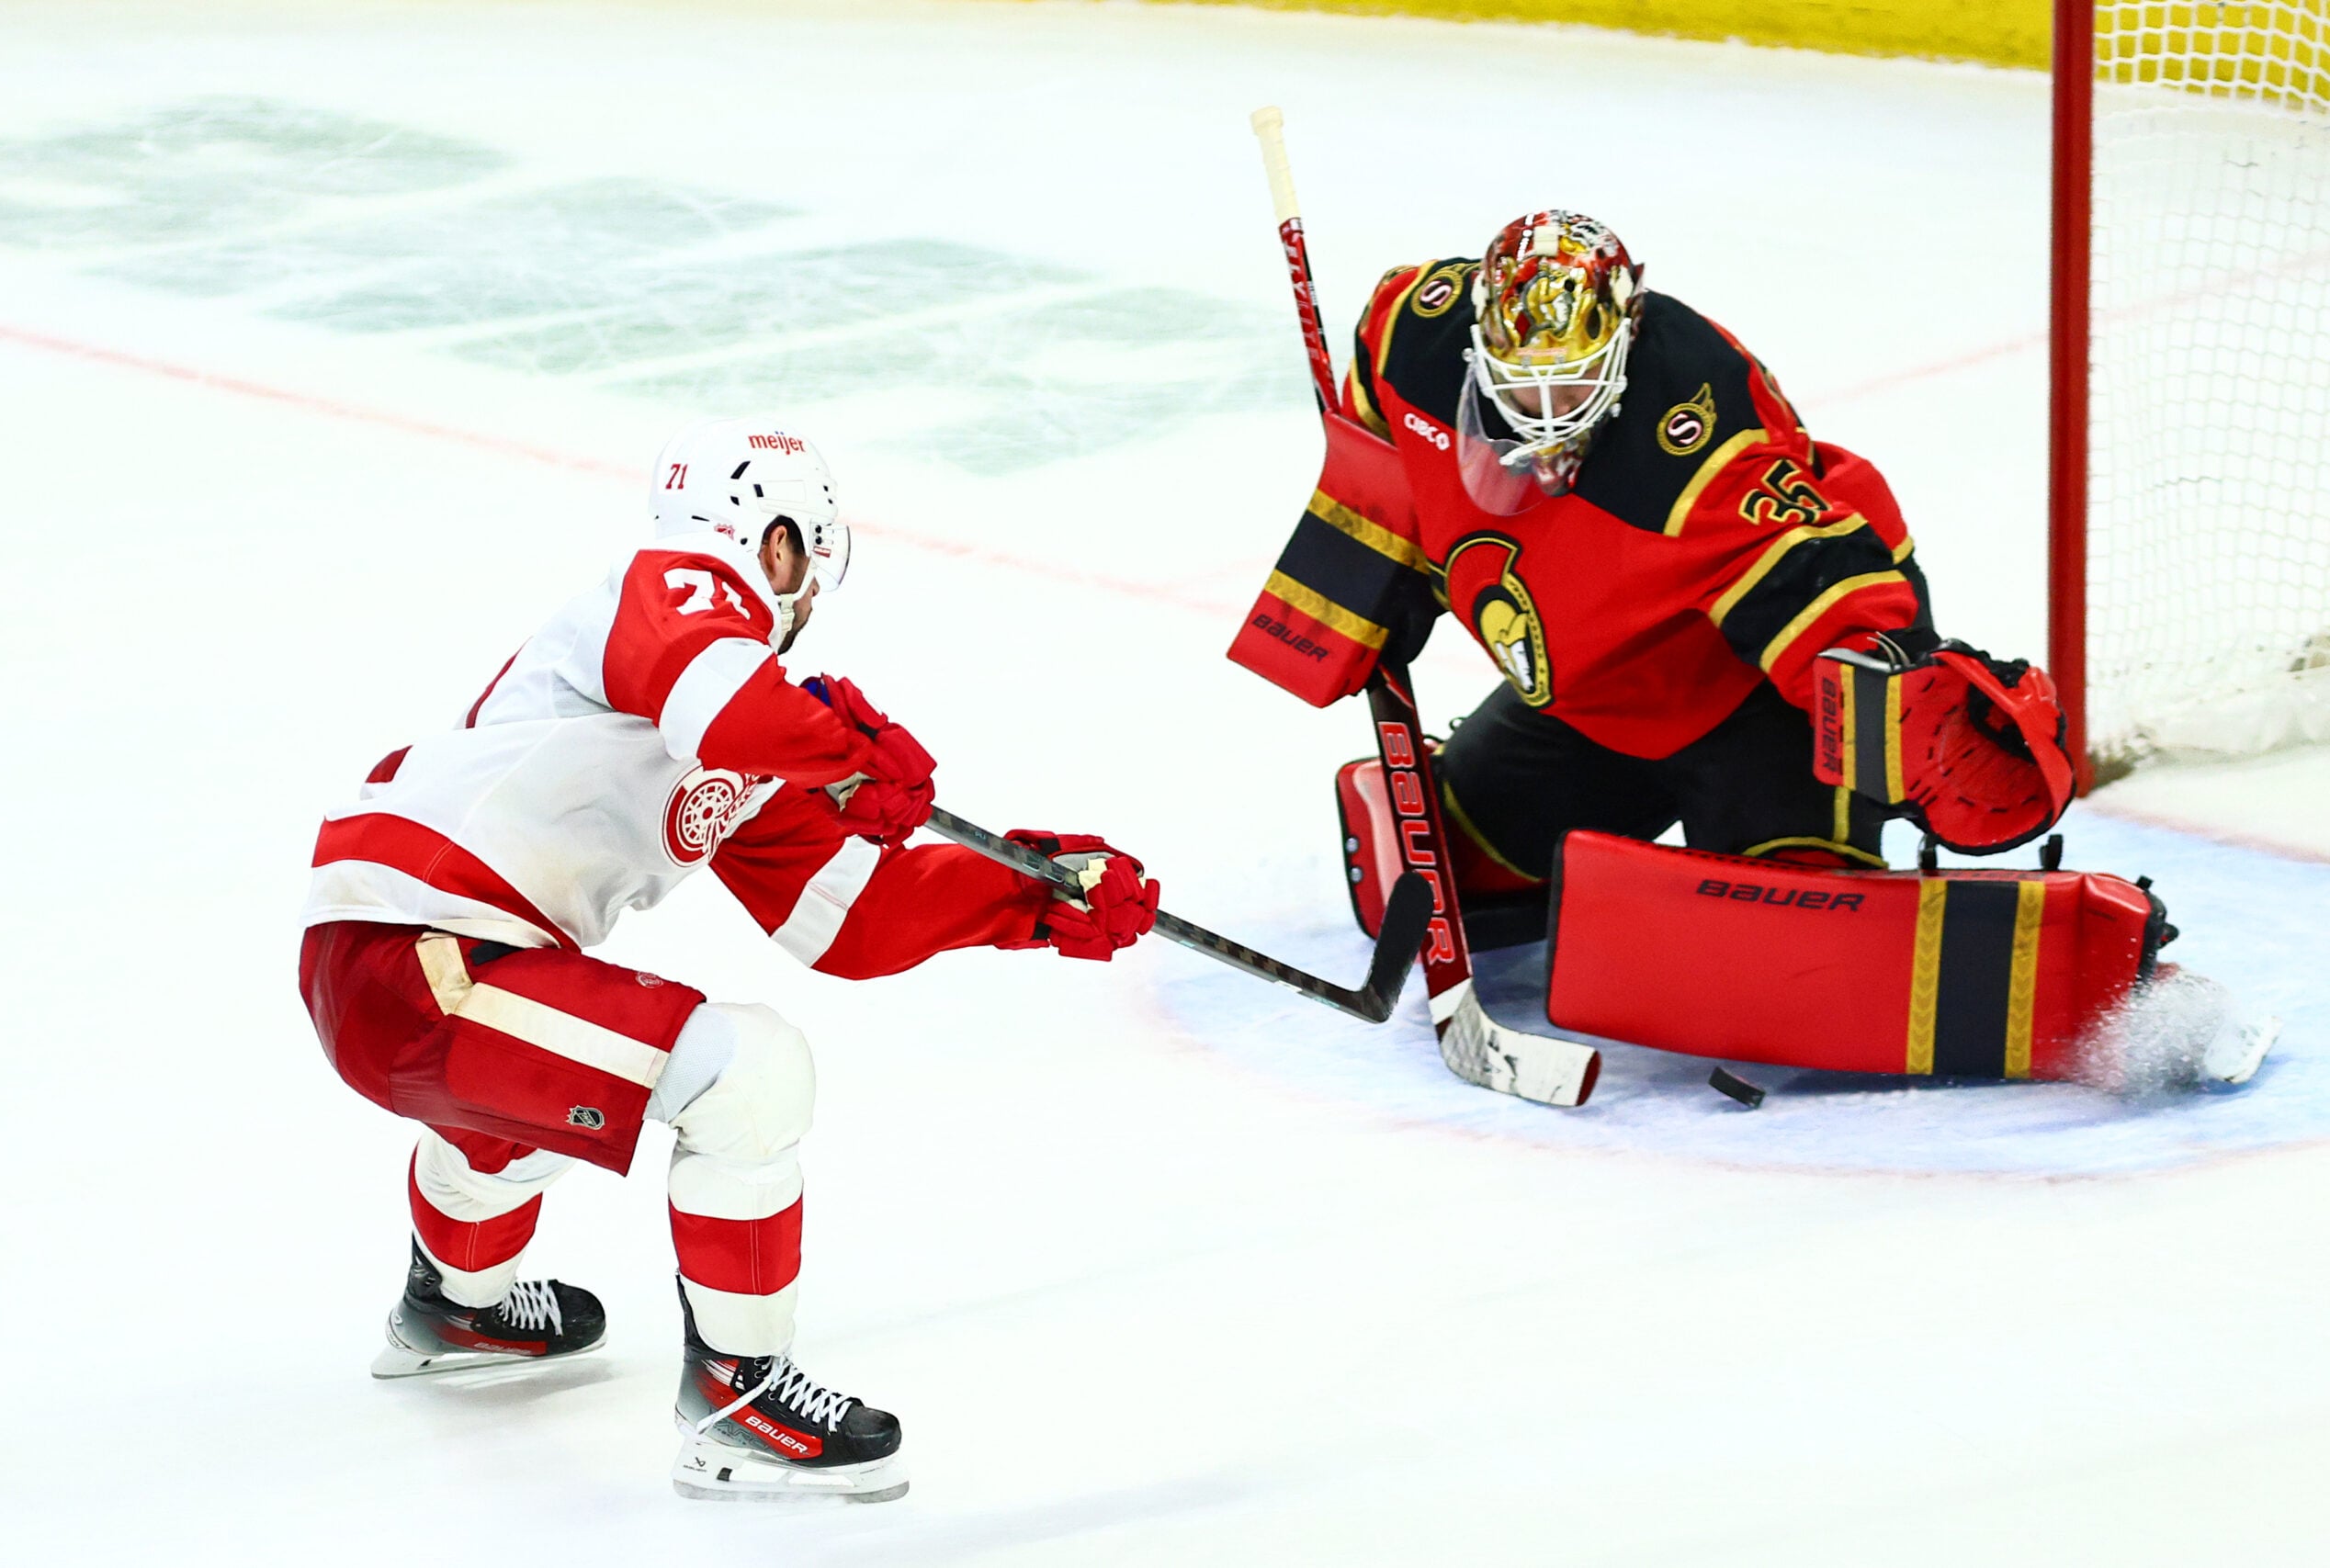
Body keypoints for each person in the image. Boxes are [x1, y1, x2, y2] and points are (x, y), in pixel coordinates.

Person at [298, 417, 1159, 1503]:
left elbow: (851, 921)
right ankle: (741, 1401)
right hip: (412, 952)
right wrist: (842, 749)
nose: (802, 605)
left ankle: (457, 1301)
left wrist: (1025, 899)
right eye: (806, 568)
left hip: (429, 966)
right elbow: (724, 697)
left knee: (552, 1089)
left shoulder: (740, 727)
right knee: (746, 1073)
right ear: (778, 539)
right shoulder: (677, 589)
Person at [1234, 209, 2070, 951]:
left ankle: (1804, 849)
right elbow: (1375, 433)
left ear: (1623, 342)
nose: (1546, 407)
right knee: (1456, 871)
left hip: (1748, 709)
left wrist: (1912, 707)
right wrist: (1376, 566)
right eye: (1524, 378)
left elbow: (1827, 583)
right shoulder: (1412, 330)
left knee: (1782, 946)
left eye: (1571, 379)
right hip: (1589, 695)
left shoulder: (1696, 441)